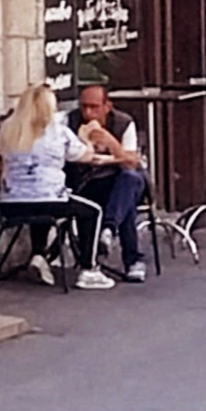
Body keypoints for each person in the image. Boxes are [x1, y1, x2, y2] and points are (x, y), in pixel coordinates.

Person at [0, 83, 111, 288]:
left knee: (38, 200)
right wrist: (85, 138)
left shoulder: (8, 129)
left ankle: (39, 255)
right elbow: (86, 156)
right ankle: (89, 268)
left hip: (11, 203)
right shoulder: (58, 132)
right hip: (49, 200)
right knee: (92, 211)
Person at [69, 83, 150, 284]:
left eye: (94, 107)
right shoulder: (69, 122)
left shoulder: (124, 123)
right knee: (125, 203)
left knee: (129, 180)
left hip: (120, 180)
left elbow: (131, 162)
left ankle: (108, 231)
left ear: (107, 106)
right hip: (88, 182)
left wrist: (111, 142)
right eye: (84, 107)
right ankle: (132, 260)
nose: (88, 113)